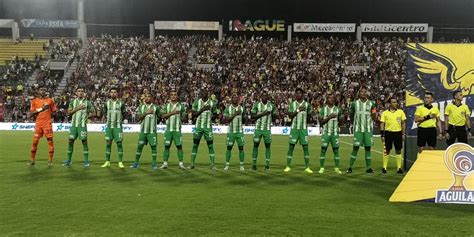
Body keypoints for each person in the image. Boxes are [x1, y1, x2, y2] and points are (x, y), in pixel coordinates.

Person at [347, 86, 377, 174]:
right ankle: (350, 167)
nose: (364, 93)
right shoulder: (354, 104)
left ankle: (368, 168)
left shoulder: (372, 103)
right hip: (358, 130)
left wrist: (374, 115)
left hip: (368, 130)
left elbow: (374, 115)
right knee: (355, 148)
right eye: (362, 92)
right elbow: (351, 115)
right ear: (359, 93)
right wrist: (354, 123)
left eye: (365, 91)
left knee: (368, 148)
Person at [64, 87, 95, 167]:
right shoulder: (72, 102)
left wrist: (87, 116)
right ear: (76, 93)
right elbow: (68, 113)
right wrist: (78, 108)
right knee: (70, 142)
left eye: (82, 91)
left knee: (84, 142)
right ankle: (68, 160)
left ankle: (86, 161)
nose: (80, 92)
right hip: (74, 126)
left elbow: (94, 113)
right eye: (79, 91)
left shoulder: (87, 102)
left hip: (82, 126)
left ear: (84, 93)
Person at [284, 88, 313, 174]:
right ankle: (288, 166)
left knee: (305, 147)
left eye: (300, 93)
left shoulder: (308, 105)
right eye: (296, 93)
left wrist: (307, 115)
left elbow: (309, 116)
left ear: (302, 94)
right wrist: (298, 110)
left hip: (303, 129)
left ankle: (307, 167)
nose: (298, 95)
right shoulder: (292, 104)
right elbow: (290, 115)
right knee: (291, 147)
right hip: (294, 129)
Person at [130, 93, 161, 170]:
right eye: (146, 96)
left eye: (149, 96)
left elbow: (160, 117)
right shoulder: (141, 107)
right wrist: (146, 113)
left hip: (152, 132)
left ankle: (154, 164)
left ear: (152, 98)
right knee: (139, 147)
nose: (147, 98)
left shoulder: (156, 107)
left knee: (153, 147)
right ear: (144, 98)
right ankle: (136, 163)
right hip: (143, 131)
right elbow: (137, 118)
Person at [28, 86, 57, 166]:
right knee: (35, 142)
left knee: (50, 141)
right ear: (38, 91)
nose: (43, 91)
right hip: (38, 124)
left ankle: (50, 160)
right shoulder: (34, 101)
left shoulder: (50, 100)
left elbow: (54, 112)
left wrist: (52, 114)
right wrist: (42, 109)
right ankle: (32, 160)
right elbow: (31, 114)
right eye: (41, 90)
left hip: (47, 123)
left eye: (44, 89)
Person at [189, 90, 217, 170]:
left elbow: (215, 114)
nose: (204, 93)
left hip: (208, 128)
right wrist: (203, 109)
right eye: (202, 92)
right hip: (198, 127)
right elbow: (193, 114)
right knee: (195, 145)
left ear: (208, 94)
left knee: (210, 145)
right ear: (201, 94)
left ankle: (212, 165)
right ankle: (192, 164)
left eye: (205, 92)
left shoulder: (212, 103)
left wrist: (210, 118)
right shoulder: (196, 102)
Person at [160, 90, 187, 169]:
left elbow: (183, 118)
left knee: (179, 146)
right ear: (169, 96)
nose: (173, 96)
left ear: (177, 96)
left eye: (175, 94)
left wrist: (185, 115)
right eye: (171, 95)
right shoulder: (166, 106)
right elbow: (162, 116)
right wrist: (173, 113)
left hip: (177, 130)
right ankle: (165, 163)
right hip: (168, 130)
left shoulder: (181, 106)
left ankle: (181, 164)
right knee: (167, 146)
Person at [251, 93, 277, 171]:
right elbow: (252, 116)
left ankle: (267, 165)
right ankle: (254, 165)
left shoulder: (272, 105)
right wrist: (264, 113)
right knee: (255, 146)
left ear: (268, 97)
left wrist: (271, 118)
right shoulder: (256, 105)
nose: (264, 97)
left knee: (268, 147)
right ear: (261, 97)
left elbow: (275, 116)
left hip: (267, 130)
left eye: (266, 96)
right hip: (258, 129)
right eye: (263, 96)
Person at [101, 88, 126, 169]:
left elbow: (124, 113)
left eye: (115, 92)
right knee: (108, 143)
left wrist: (122, 120)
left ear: (117, 93)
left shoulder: (121, 103)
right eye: (111, 92)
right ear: (109, 93)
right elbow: (104, 112)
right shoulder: (106, 103)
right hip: (109, 127)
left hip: (118, 127)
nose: (113, 94)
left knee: (119, 144)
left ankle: (120, 162)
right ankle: (107, 161)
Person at [380, 97, 406, 174]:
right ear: (390, 104)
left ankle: (399, 168)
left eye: (396, 102)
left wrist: (403, 133)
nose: (395, 104)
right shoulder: (385, 113)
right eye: (393, 102)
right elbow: (382, 123)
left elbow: (403, 123)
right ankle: (384, 168)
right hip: (388, 133)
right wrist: (382, 135)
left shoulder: (401, 112)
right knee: (387, 150)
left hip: (398, 133)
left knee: (398, 150)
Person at [318, 93, 342, 174]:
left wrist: (341, 121)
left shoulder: (338, 109)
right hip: (326, 133)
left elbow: (341, 121)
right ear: (327, 99)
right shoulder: (323, 110)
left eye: (333, 98)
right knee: (323, 150)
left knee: (336, 151)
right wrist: (329, 117)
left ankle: (337, 168)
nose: (331, 99)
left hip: (335, 134)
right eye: (329, 98)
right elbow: (321, 122)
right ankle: (321, 168)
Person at [223, 94, 245, 171]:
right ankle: (227, 165)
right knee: (229, 148)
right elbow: (226, 120)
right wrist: (234, 114)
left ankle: (241, 165)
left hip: (239, 132)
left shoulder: (241, 108)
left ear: (238, 99)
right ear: (231, 99)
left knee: (241, 148)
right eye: (234, 98)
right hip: (231, 132)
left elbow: (244, 119)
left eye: (236, 98)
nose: (235, 99)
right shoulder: (227, 108)